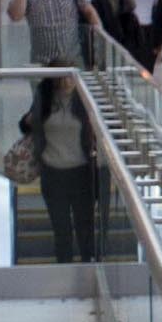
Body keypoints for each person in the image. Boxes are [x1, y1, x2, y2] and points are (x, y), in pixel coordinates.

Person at [19, 77, 114, 266]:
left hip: (81, 173)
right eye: (62, 77)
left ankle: (89, 266)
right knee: (61, 229)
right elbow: (27, 124)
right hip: (52, 173)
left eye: (70, 77)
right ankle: (65, 268)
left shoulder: (82, 98)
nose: (66, 82)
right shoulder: (44, 97)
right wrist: (29, 121)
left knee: (84, 227)